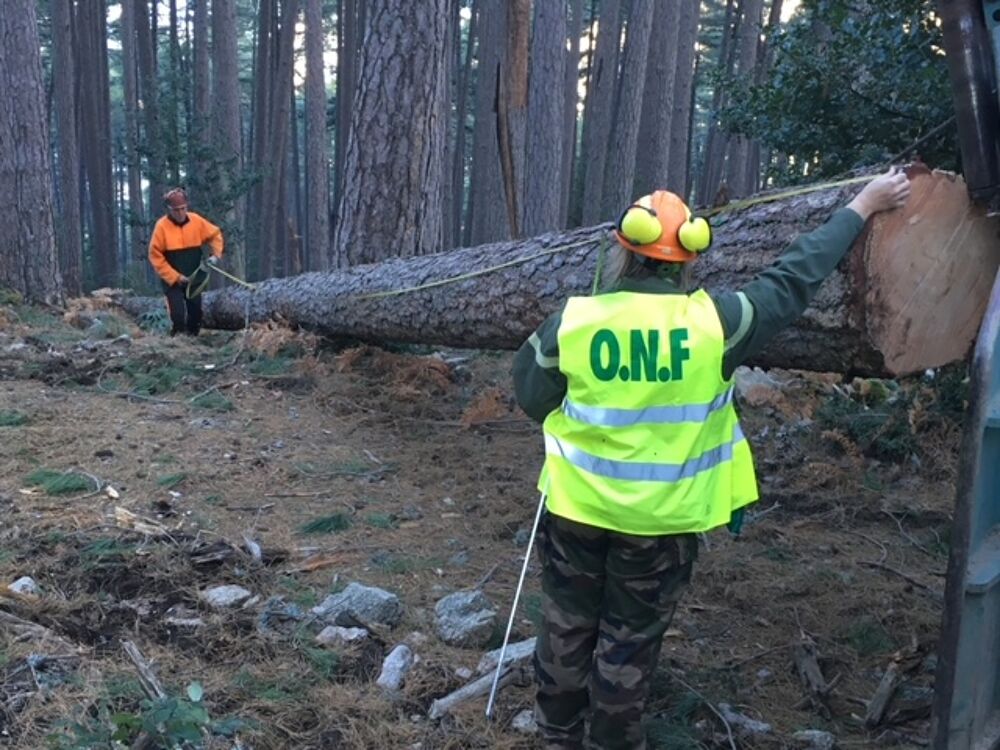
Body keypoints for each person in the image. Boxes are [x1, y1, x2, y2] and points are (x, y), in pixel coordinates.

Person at [512, 168, 911, 750]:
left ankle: (555, 736)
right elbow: (793, 278)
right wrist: (862, 204)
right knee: (628, 644)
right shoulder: (716, 326)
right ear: (687, 259)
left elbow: (532, 397)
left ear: (622, 251)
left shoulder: (572, 324)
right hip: (661, 526)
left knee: (566, 626)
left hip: (576, 512)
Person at [148, 187, 224, 336]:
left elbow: (215, 234)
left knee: (195, 314)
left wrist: (215, 255)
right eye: (176, 210)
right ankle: (177, 339)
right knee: (177, 315)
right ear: (169, 209)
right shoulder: (161, 226)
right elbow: (155, 256)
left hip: (194, 276)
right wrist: (175, 277)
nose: (180, 213)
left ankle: (192, 339)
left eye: (183, 208)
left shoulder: (196, 221)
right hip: (172, 280)